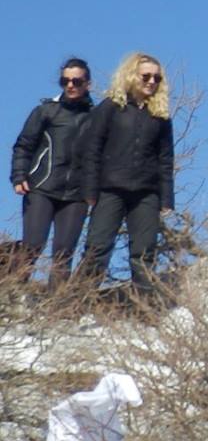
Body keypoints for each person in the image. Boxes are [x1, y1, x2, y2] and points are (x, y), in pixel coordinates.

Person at [78, 52, 176, 291]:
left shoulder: (160, 116)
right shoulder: (110, 107)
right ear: (132, 76)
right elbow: (92, 149)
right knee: (97, 247)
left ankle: (144, 309)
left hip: (146, 193)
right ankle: (74, 303)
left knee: (143, 253)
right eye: (146, 76)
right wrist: (90, 190)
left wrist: (166, 198)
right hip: (109, 189)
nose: (152, 81)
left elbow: (165, 159)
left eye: (157, 78)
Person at [12, 60, 95, 282]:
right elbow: (24, 145)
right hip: (42, 188)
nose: (70, 85)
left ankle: (56, 310)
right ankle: (14, 297)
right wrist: (19, 175)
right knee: (32, 245)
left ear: (88, 83)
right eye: (64, 81)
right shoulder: (46, 111)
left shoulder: (96, 117)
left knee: (63, 254)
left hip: (76, 195)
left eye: (76, 81)